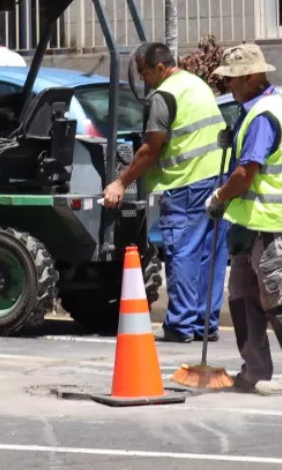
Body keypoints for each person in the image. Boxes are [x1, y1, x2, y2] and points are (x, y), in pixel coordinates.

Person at [204, 44, 282, 395]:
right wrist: (233, 138)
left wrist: (220, 195)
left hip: (271, 221)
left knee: (278, 298)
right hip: (250, 222)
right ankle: (255, 369)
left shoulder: (265, 114)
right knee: (241, 295)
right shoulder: (254, 110)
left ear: (252, 77)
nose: (229, 86)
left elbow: (245, 173)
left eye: (234, 79)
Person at [103, 42, 228, 343]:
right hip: (216, 178)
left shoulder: (164, 95)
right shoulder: (196, 84)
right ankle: (204, 324)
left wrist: (120, 182)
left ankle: (181, 325)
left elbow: (151, 149)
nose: (143, 78)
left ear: (160, 68)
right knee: (209, 252)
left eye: (144, 72)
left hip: (185, 183)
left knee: (182, 250)